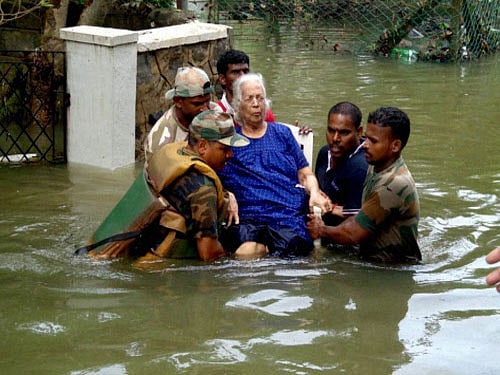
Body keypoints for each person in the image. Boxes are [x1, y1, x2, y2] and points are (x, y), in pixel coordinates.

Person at [92, 111, 249, 261]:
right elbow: (208, 253)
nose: (230, 155)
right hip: (156, 269)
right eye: (224, 149)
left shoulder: (172, 153)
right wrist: (236, 259)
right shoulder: (203, 189)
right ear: (202, 146)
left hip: (119, 247)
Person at [218, 73, 330, 258]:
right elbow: (216, 177)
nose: (256, 104)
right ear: (238, 104)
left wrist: (315, 192)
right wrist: (227, 194)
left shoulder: (282, 134)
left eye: (260, 98)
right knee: (244, 252)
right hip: (248, 217)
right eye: (250, 99)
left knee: (293, 247)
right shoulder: (231, 141)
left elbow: (305, 174)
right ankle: (265, 250)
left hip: (286, 214)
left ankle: (268, 249)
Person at [308, 106, 421, 264]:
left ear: (395, 146)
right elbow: (359, 216)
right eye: (367, 138)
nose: (365, 145)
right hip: (374, 263)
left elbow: (354, 232)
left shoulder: (393, 184)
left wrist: (322, 230)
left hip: (391, 271)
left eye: (373, 141)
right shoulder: (376, 166)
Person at [144, 66, 221, 164]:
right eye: (197, 104)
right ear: (178, 101)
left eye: (207, 101)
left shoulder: (215, 112)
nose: (205, 109)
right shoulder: (162, 140)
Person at [315, 101, 368, 228]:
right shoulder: (324, 153)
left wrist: (329, 208)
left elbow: (359, 220)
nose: (335, 139)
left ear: (359, 132)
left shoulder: (360, 167)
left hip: (343, 237)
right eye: (331, 130)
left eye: (344, 133)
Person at [216, 49, 275, 123]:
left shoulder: (263, 113)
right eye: (236, 72)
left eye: (245, 71)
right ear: (223, 79)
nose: (242, 76)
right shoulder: (216, 115)